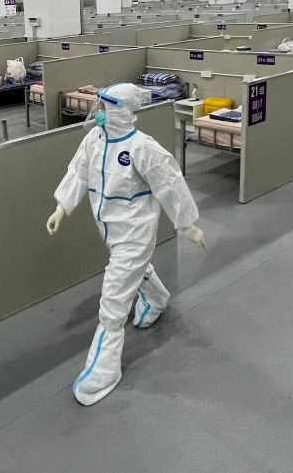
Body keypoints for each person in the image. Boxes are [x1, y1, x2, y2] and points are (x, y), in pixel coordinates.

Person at [46, 83, 205, 406]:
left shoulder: (142, 148)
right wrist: (62, 207)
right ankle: (157, 299)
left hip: (134, 234)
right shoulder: (94, 139)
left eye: (108, 106)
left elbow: (170, 185)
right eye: (100, 105)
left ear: (124, 110)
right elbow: (78, 173)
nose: (101, 112)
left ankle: (103, 371)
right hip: (109, 230)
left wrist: (188, 225)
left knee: (113, 302)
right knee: (133, 271)